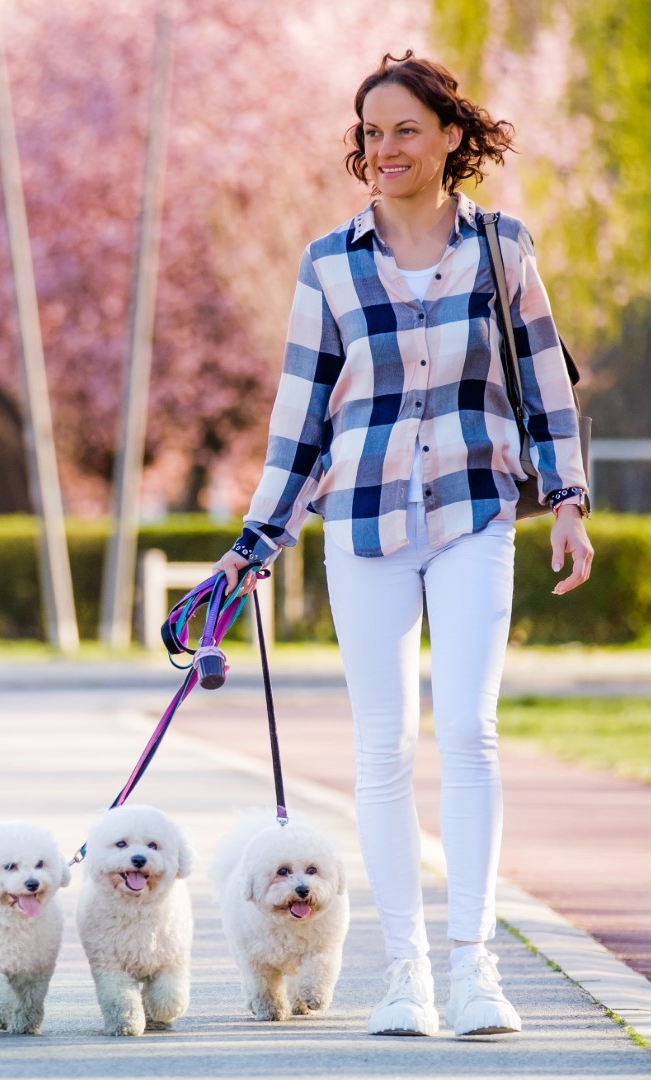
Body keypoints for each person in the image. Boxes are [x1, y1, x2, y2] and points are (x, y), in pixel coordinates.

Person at [214, 51, 593, 1038]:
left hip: (474, 506)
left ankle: (477, 973)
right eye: (372, 133)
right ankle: (407, 977)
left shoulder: (505, 248)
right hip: (366, 520)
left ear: (452, 138)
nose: (384, 150)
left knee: (468, 732)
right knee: (383, 749)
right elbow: (299, 421)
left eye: (405, 131)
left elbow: (547, 387)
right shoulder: (329, 262)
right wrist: (255, 542)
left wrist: (567, 501)